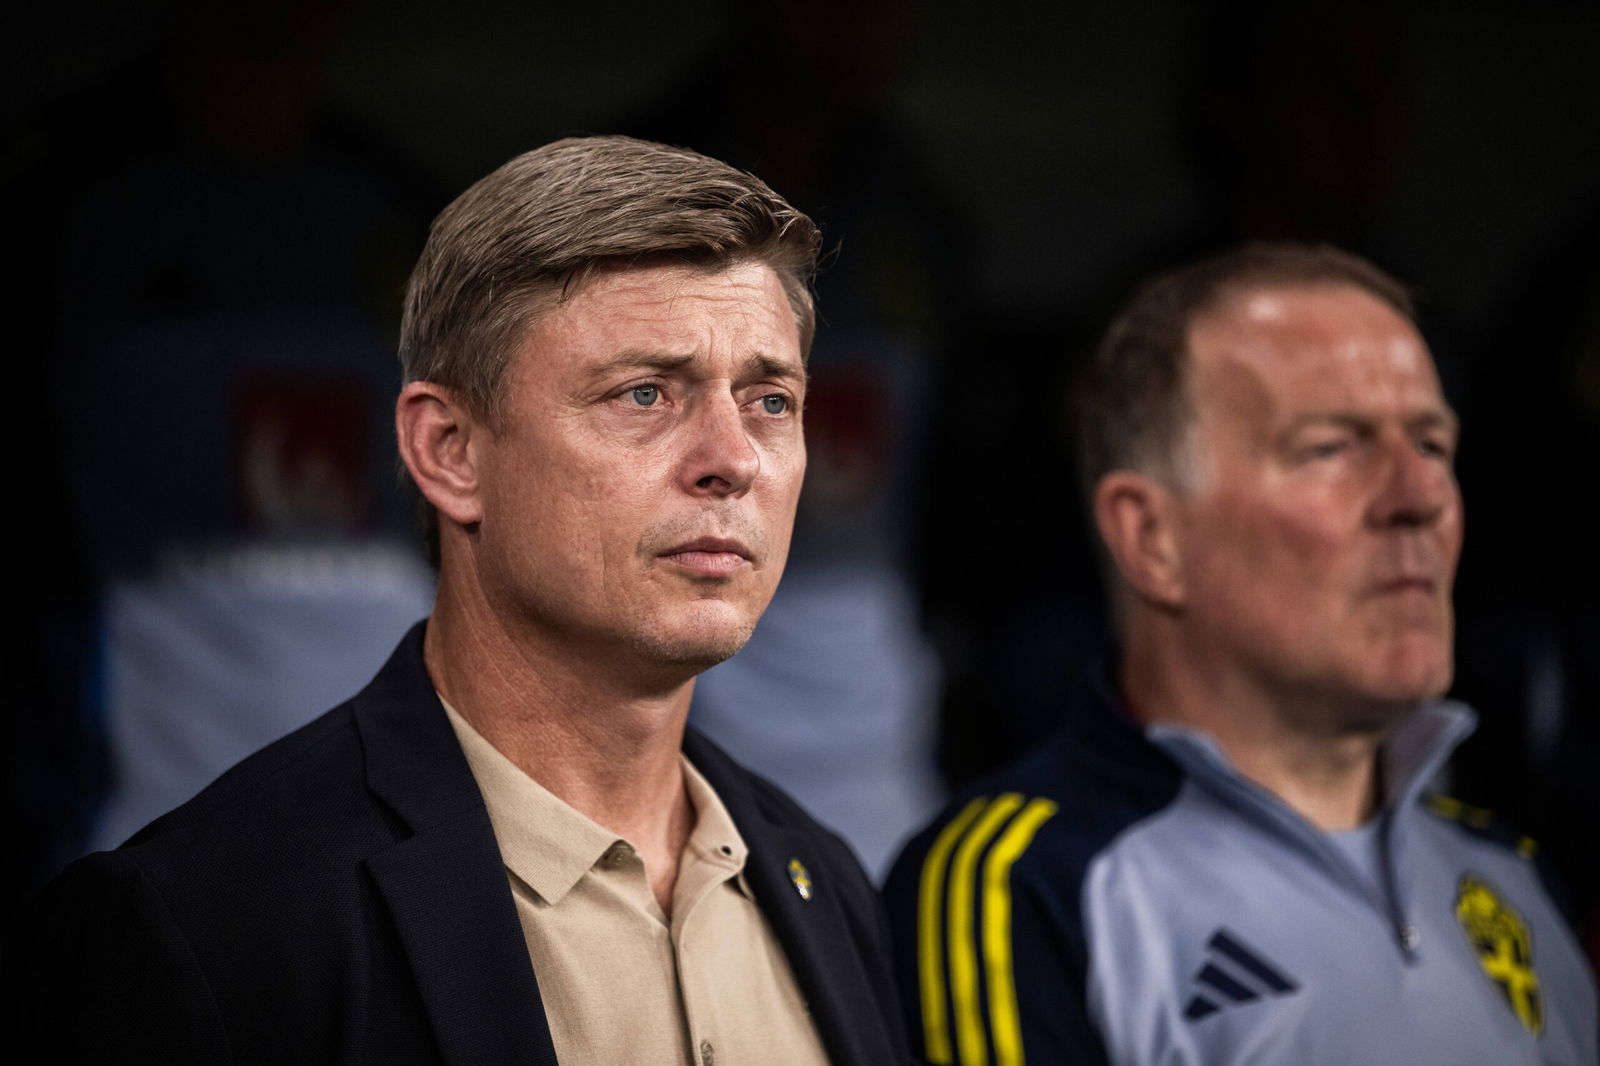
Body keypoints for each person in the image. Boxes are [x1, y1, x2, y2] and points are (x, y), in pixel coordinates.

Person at [5, 135, 908, 1065]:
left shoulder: (827, 885)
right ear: (448, 451)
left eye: (770, 400)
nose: (734, 459)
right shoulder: (202, 927)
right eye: (644, 394)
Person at [884, 243, 1597, 1065]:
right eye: (1333, 448)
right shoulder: (1022, 888)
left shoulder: (1514, 876)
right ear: (1152, 538)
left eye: (1433, 447)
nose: (1420, 499)